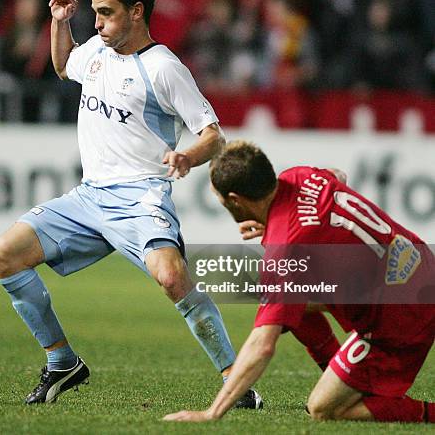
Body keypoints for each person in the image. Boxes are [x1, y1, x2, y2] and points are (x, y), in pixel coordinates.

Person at [0, 0, 262, 407]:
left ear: (136, 12)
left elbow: (214, 135)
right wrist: (59, 22)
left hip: (140, 198)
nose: (96, 23)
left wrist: (187, 156)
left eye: (106, 13)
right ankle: (62, 362)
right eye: (94, 13)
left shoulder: (164, 68)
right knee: (4, 255)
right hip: (89, 196)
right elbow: (61, 66)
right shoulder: (96, 49)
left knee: (173, 278)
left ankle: (237, 382)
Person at [164, 140, 434, 423]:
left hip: (399, 317)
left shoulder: (285, 251)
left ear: (235, 200)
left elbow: (262, 345)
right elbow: (338, 174)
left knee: (323, 408)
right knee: (285, 299)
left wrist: (212, 412)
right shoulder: (300, 175)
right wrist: (279, 224)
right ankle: (336, 367)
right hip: (420, 265)